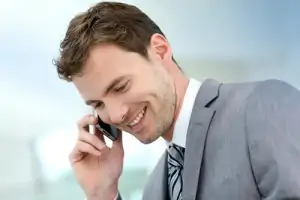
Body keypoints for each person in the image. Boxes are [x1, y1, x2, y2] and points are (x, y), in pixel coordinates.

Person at [53, 2, 300, 200]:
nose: (116, 115)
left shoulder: (262, 107)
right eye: (98, 105)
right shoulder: (154, 188)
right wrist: (102, 194)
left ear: (160, 51)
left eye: (121, 86)